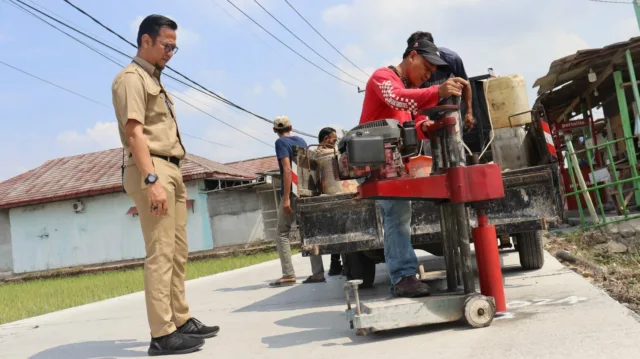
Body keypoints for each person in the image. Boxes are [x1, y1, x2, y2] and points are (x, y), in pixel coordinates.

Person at [112, 14, 218, 356]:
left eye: (175, 46)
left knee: (177, 250)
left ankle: (180, 319)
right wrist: (152, 179)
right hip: (152, 169)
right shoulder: (131, 79)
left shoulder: (153, 78)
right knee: (160, 252)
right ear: (146, 41)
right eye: (166, 45)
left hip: (171, 167)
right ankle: (161, 334)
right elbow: (134, 132)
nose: (171, 52)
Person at [359, 38, 471, 297]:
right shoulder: (383, 78)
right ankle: (403, 277)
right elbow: (397, 99)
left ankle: (405, 273)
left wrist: (426, 127)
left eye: (433, 73)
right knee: (397, 216)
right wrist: (437, 91)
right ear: (412, 56)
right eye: (427, 68)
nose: (428, 75)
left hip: (394, 166)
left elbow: (416, 121)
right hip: (376, 166)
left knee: (401, 216)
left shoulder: (410, 93)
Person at [269, 116, 326, 286]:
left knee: (281, 233)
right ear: (291, 127)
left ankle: (288, 274)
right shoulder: (301, 140)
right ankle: (318, 273)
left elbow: (287, 170)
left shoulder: (280, 143)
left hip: (293, 192)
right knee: (309, 231)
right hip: (306, 191)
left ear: (274, 130)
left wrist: (286, 198)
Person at [407, 31, 474, 163]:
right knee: (430, 144)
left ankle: (458, 169)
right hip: (426, 104)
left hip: (449, 101)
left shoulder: (451, 58)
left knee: (454, 141)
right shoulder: (411, 68)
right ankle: (436, 172)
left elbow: (466, 84)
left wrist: (469, 112)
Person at [317, 127, 344, 276]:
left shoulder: (314, 154)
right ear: (326, 139)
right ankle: (336, 263)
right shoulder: (332, 155)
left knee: (336, 229)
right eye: (334, 139)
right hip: (333, 194)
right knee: (339, 228)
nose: (335, 142)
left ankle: (335, 264)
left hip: (324, 196)